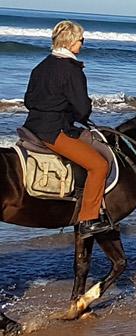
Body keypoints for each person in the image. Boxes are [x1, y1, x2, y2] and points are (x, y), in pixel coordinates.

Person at [23, 20, 113, 235]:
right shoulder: (72, 70)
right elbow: (82, 110)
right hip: (53, 131)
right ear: (71, 42)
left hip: (31, 126)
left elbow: (28, 100)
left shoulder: (41, 66)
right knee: (99, 166)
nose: (82, 44)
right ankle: (88, 219)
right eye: (81, 40)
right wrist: (74, 116)